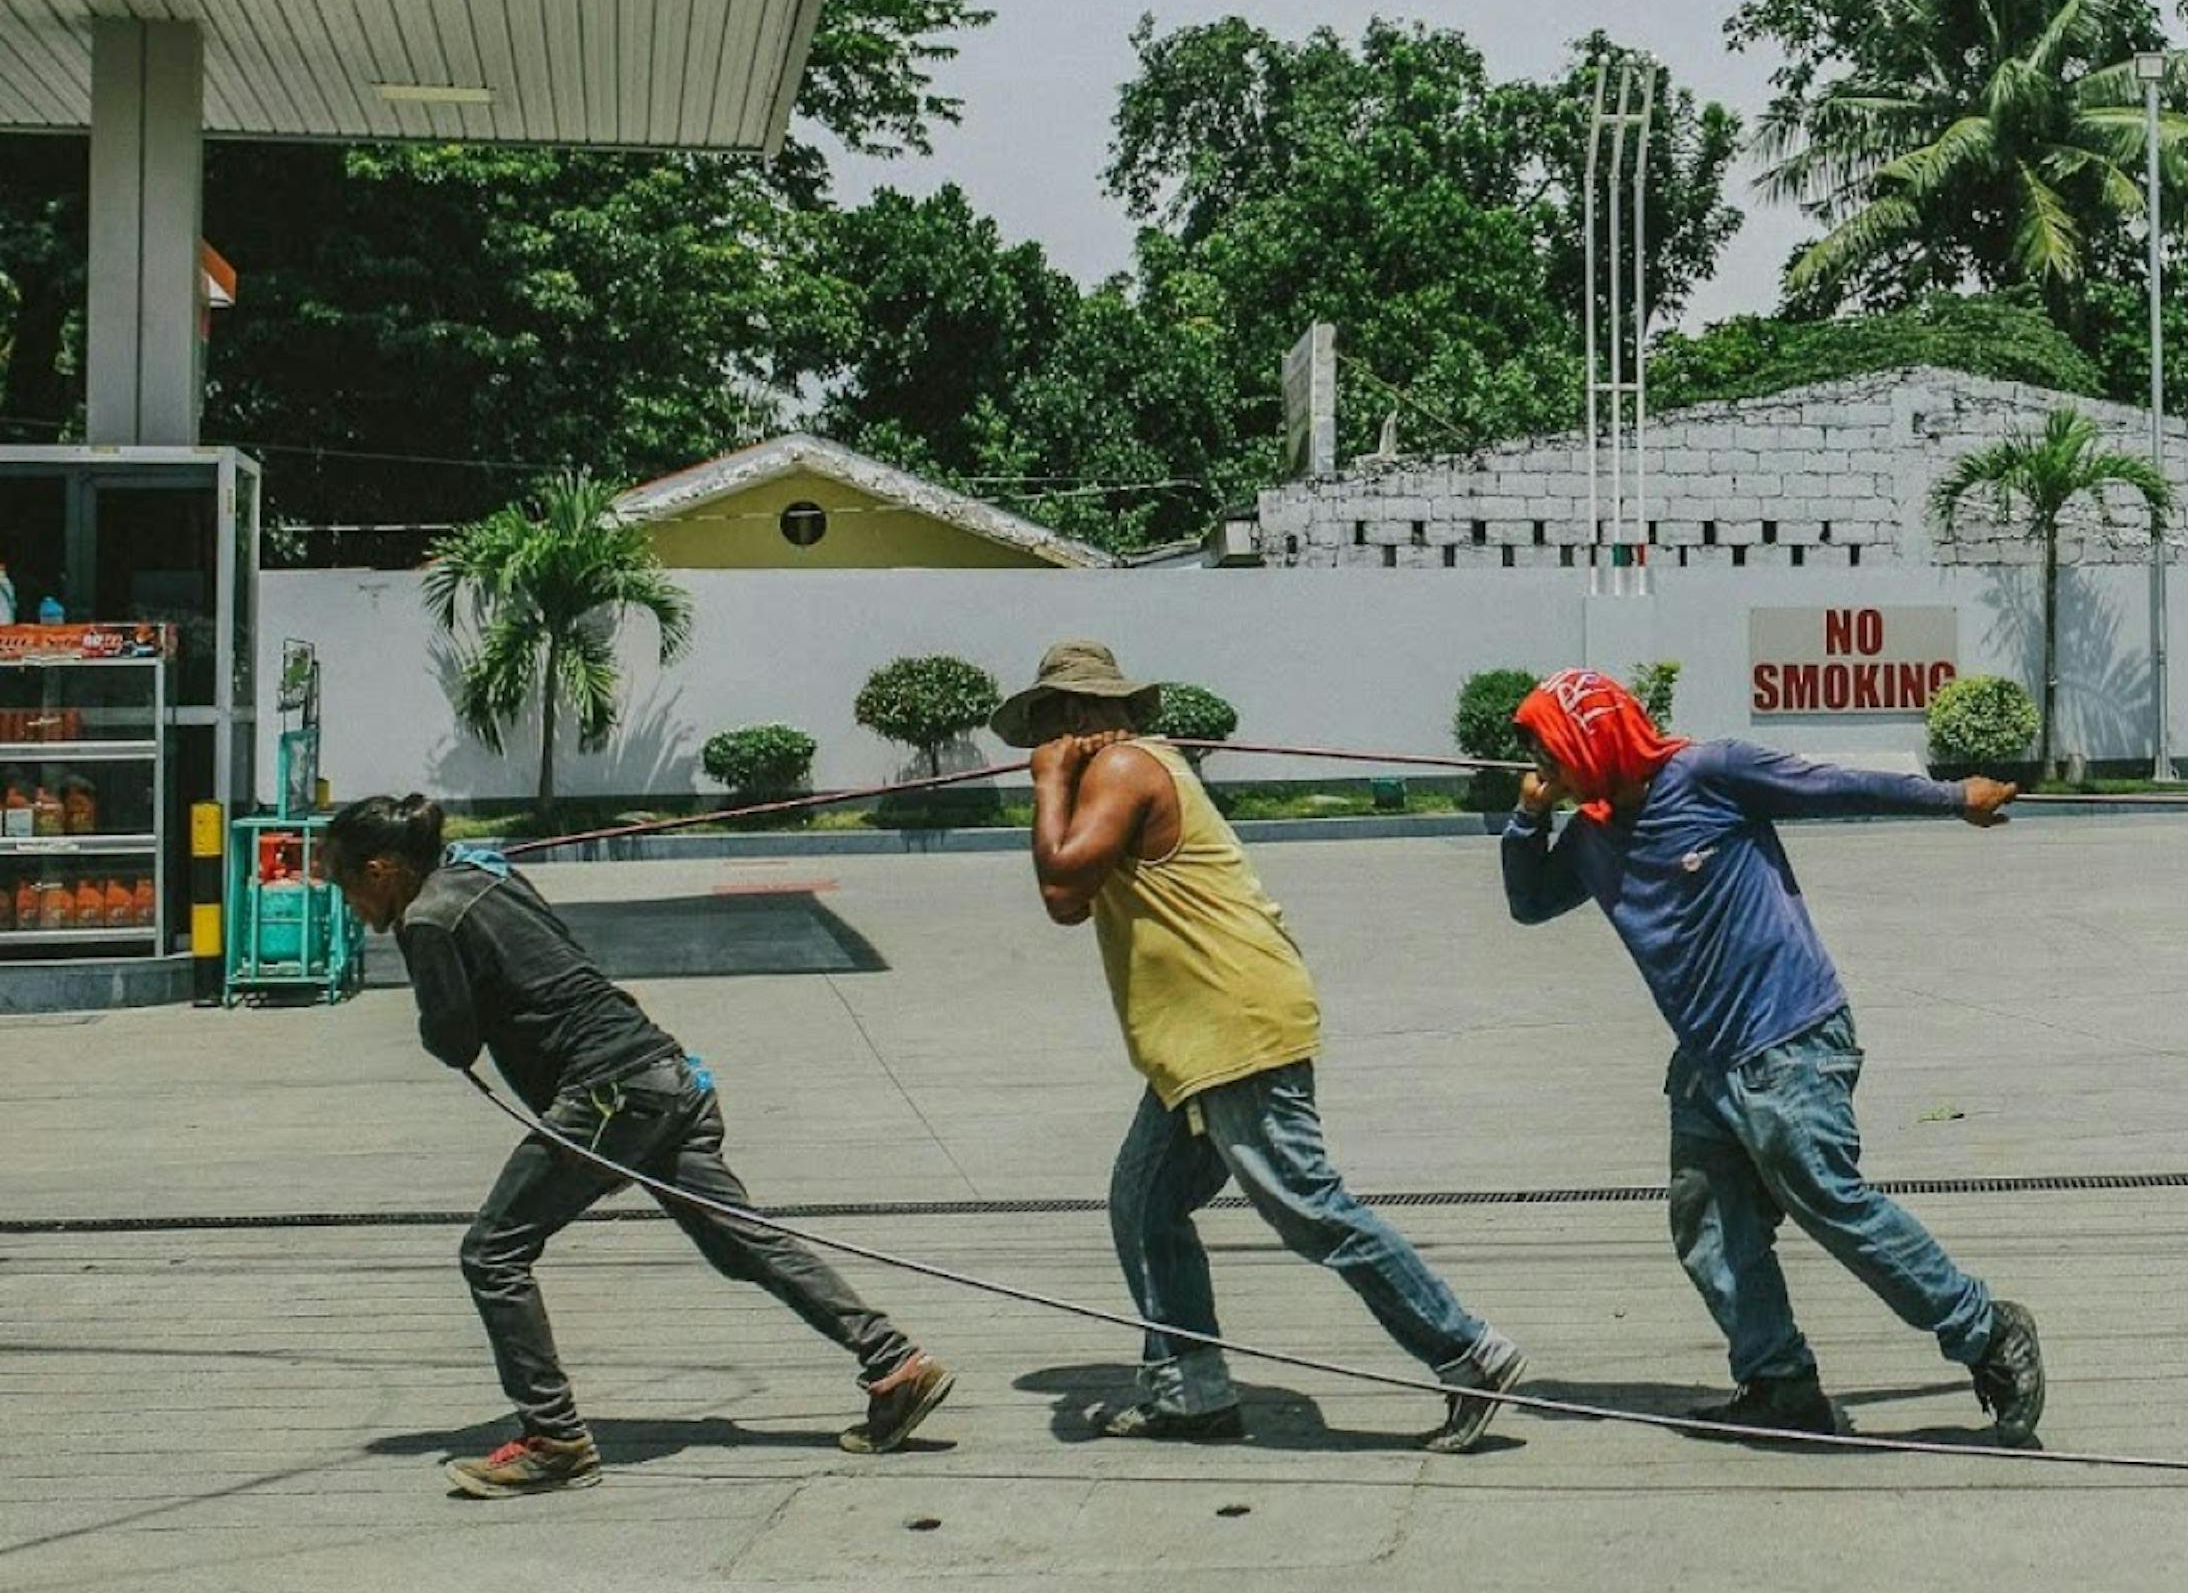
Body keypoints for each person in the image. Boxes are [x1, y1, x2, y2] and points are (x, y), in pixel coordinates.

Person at [315, 794, 953, 1498]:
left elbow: (453, 1039)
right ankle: (894, 1362)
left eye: (346, 885)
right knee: (740, 1242)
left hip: (606, 1094)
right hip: (662, 1072)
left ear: (382, 870)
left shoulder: (429, 919)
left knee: (492, 1253)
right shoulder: (485, 873)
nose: (350, 906)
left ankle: (553, 1438)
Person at [1496, 668, 2045, 1443]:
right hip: (1707, 1062)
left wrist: (1956, 799)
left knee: (1833, 1203)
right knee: (1709, 1224)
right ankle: (1779, 1380)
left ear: (1594, 738)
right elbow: (1530, 903)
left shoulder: (1711, 774)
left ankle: (1987, 1331)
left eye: (1548, 746)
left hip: (1789, 1039)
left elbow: (1835, 787)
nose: (1542, 762)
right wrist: (1527, 816)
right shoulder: (1589, 835)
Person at [1010, 640, 1525, 1451]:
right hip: (1192, 1040)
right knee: (1144, 1204)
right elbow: (1076, 903)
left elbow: (1059, 888)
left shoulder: (1123, 771)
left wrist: (1046, 785)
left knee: (1308, 1206)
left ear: (1073, 714)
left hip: (1231, 1025)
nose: (1040, 744)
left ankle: (1467, 1351)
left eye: (1043, 725)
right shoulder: (1126, 771)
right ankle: (1192, 1390)